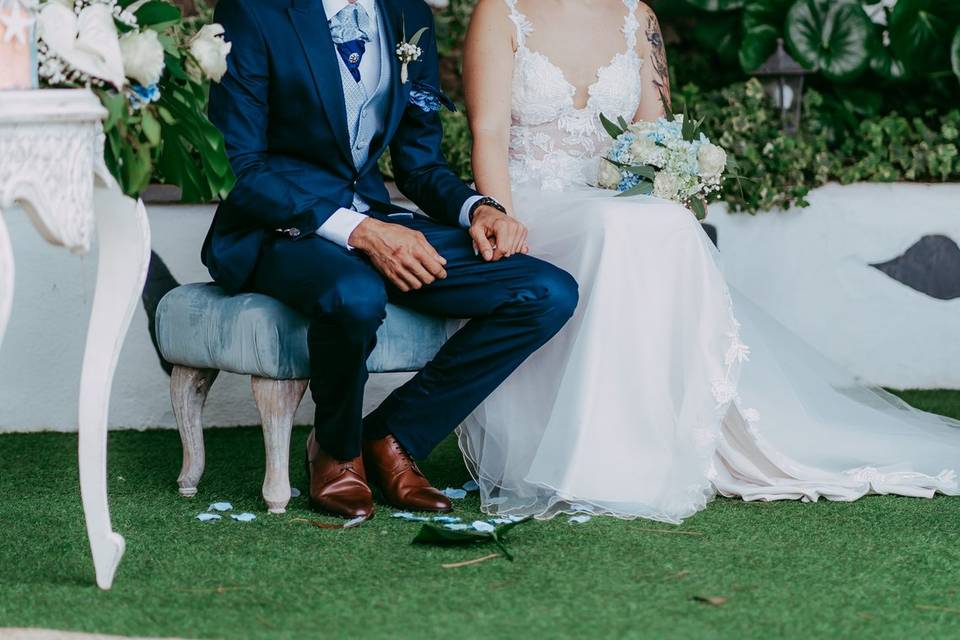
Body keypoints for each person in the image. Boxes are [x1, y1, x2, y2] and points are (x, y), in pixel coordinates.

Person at [459, 0, 960, 522]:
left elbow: (655, 134)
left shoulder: (637, 17)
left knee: (668, 224)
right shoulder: (501, 11)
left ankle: (655, 439)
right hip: (529, 201)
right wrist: (499, 215)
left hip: (607, 199)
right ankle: (593, 454)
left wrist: (667, 177)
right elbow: (488, 132)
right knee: (618, 226)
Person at [203, 0, 579, 519]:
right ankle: (335, 450)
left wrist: (478, 208)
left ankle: (393, 435)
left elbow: (418, 164)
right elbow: (239, 166)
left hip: (378, 218)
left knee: (545, 293)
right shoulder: (255, 12)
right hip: (283, 228)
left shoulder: (409, 15)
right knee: (354, 292)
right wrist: (358, 231)